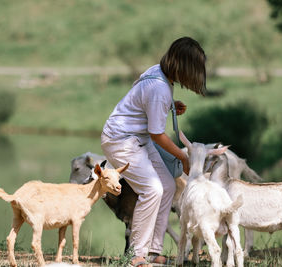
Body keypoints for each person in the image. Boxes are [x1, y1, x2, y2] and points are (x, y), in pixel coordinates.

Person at [101, 36, 207, 267]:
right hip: (121, 140)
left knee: (168, 185)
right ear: (182, 67)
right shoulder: (159, 87)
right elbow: (158, 135)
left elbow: (144, 99)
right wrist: (183, 156)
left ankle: (152, 250)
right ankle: (136, 255)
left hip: (137, 137)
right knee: (152, 189)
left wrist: (169, 105)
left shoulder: (158, 73)